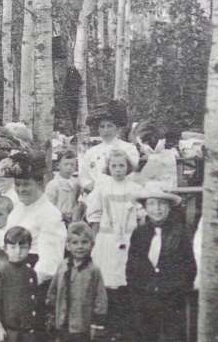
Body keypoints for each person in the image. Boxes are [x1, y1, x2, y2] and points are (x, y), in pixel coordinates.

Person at [126, 183, 194, 342]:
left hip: (171, 299)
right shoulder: (139, 233)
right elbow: (132, 269)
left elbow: (189, 268)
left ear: (169, 207)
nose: (156, 209)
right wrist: (139, 295)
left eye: (161, 204)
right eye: (152, 204)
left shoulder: (180, 232)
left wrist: (176, 292)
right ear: (145, 207)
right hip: (146, 300)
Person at [46, 222, 108, 342]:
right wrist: (51, 314)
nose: (79, 247)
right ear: (67, 245)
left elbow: (100, 298)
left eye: (84, 242)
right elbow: (53, 291)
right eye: (74, 242)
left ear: (92, 245)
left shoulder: (94, 271)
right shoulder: (63, 266)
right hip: (62, 323)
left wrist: (97, 324)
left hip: (82, 325)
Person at [86, 148, 145, 296]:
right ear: (108, 168)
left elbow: (141, 215)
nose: (118, 170)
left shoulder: (135, 189)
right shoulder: (102, 188)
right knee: (107, 277)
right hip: (107, 238)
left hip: (130, 237)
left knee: (127, 275)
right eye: (114, 166)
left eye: (121, 166)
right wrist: (94, 239)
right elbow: (95, 216)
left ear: (128, 167)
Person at [4, 152, 67, 284]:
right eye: (18, 184)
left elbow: (50, 262)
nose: (21, 189)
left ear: (39, 183)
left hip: (34, 283)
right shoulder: (18, 208)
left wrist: (25, 284)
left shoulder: (50, 214)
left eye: (26, 184)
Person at [78, 100, 139, 194]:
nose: (106, 130)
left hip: (121, 193)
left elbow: (134, 174)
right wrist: (90, 186)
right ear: (98, 129)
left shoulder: (128, 149)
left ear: (117, 128)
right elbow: (83, 176)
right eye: (102, 127)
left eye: (109, 126)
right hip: (96, 194)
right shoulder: (91, 152)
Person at [45, 151, 80, 223]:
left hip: (73, 219)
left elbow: (76, 202)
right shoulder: (53, 184)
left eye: (72, 165)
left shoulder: (76, 183)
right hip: (57, 220)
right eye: (66, 164)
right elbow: (49, 206)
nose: (69, 167)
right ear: (58, 165)